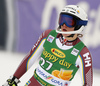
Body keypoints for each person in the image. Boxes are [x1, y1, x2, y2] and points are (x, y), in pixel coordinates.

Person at [3, 5, 93, 86]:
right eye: (62, 20)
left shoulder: (83, 53)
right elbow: (30, 57)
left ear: (79, 26)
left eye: (69, 22)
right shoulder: (48, 35)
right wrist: (14, 78)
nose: (64, 25)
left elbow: (87, 83)